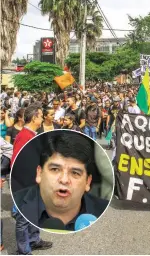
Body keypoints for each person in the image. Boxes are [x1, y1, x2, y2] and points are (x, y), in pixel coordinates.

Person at [13, 132, 109, 231]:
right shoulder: (18, 204)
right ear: (39, 173)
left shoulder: (102, 210)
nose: (64, 180)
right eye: (55, 169)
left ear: (88, 182)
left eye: (75, 173)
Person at [10, 103, 53, 254]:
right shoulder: (24, 136)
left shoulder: (32, 135)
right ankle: (23, 250)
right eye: (41, 116)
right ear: (34, 117)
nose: (42, 119)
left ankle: (34, 240)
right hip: (26, 184)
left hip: (35, 182)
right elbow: (16, 162)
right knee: (23, 219)